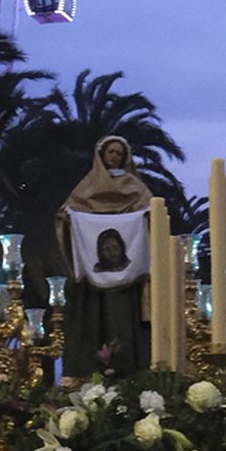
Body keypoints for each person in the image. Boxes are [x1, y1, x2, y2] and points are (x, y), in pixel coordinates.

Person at [54, 135, 155, 375]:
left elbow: (153, 212)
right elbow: (66, 214)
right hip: (93, 284)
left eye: (119, 153)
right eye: (110, 152)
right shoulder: (87, 187)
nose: (114, 157)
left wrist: (148, 218)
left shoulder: (136, 188)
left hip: (129, 284)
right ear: (101, 155)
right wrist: (69, 220)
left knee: (126, 321)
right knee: (92, 320)